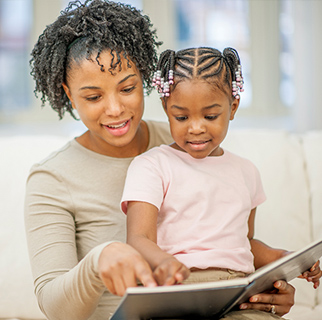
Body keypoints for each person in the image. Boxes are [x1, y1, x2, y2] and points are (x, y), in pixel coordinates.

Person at [25, 0, 297, 319]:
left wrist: (267, 289)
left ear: (145, 79)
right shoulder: (51, 179)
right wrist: (98, 260)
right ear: (69, 95)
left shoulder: (188, 142)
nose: (114, 109)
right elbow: (55, 309)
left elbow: (232, 242)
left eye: (127, 88)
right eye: (93, 97)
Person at [122, 47, 322, 319]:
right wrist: (165, 263)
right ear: (166, 109)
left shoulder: (246, 171)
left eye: (210, 116)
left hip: (237, 291)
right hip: (177, 287)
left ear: (233, 108)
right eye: (181, 117)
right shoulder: (151, 165)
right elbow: (139, 237)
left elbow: (246, 241)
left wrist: (287, 258)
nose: (195, 128)